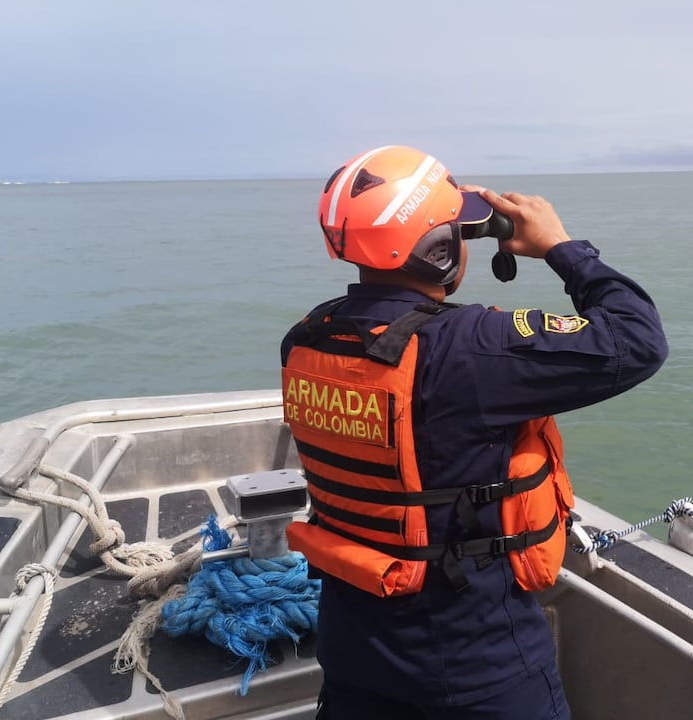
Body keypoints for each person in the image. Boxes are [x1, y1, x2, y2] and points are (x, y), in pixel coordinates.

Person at [279, 145, 668, 719]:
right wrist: (563, 248)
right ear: (439, 250)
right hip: (473, 667)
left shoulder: (308, 338)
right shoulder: (471, 348)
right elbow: (637, 340)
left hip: (353, 651)